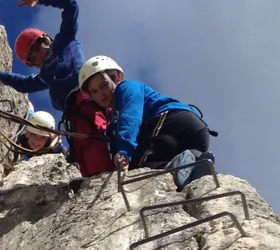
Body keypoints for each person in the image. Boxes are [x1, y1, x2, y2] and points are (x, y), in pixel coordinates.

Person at [77, 56, 214, 190]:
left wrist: (124, 152)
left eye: (104, 84)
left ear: (118, 77)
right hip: (192, 134)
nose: (101, 93)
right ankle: (196, 164)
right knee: (140, 165)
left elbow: (131, 117)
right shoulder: (113, 122)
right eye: (94, 91)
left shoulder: (126, 88)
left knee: (136, 161)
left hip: (172, 122)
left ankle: (173, 167)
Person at [0, 0, 84, 113]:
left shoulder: (64, 40)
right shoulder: (44, 76)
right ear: (33, 64)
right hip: (76, 112)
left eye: (36, 48)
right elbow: (23, 84)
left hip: (87, 88)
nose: (38, 56)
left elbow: (70, 4)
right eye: (33, 58)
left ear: (46, 39)